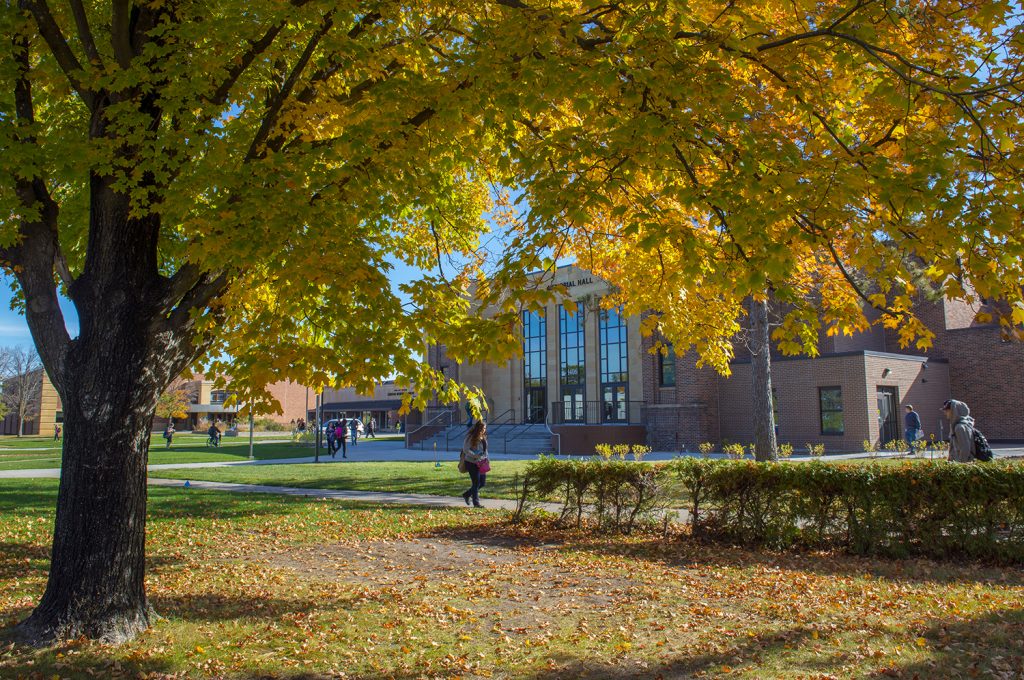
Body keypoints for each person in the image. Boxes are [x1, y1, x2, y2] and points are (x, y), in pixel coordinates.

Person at [460, 420, 490, 508]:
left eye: (485, 428)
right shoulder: (470, 436)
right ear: (478, 428)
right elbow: (466, 449)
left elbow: (485, 450)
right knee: (476, 482)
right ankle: (476, 503)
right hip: (471, 462)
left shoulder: (483, 437)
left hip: (482, 462)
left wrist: (487, 459)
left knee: (482, 483)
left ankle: (467, 494)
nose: (484, 430)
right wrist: (475, 456)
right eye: (482, 428)